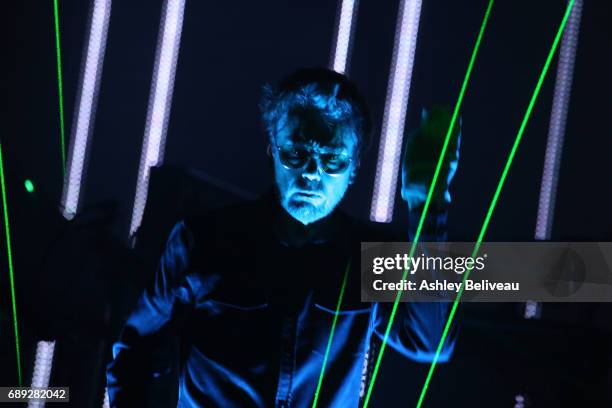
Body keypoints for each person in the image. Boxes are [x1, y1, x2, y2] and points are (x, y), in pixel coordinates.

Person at [106, 68, 460, 407]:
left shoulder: (367, 256)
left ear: (353, 170)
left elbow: (432, 342)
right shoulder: (203, 240)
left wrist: (428, 207)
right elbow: (134, 349)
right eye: (296, 153)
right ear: (272, 150)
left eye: (332, 159)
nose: (311, 173)